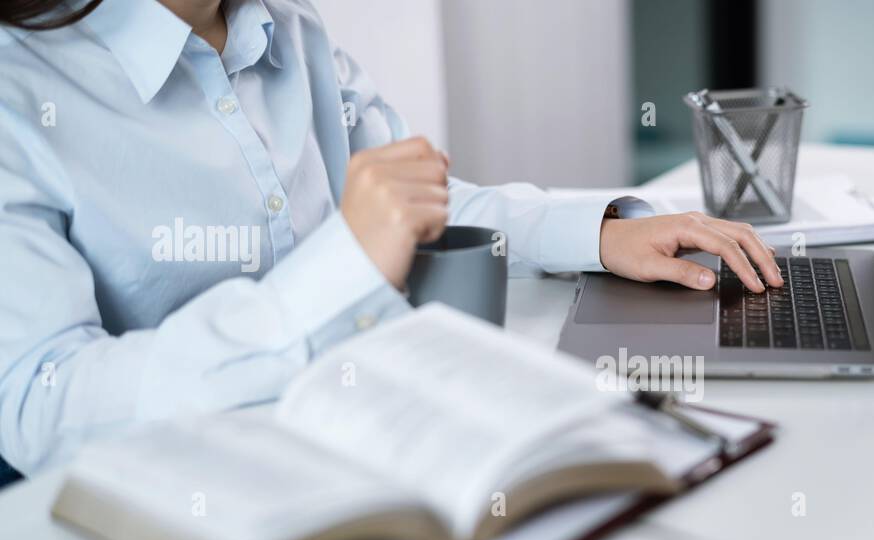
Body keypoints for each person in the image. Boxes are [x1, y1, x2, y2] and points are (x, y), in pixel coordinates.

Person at [0, 0, 784, 483]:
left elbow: (416, 202)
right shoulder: (18, 96)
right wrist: (344, 263)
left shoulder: (290, 26)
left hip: (369, 439)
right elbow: (39, 403)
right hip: (191, 510)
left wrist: (600, 232)